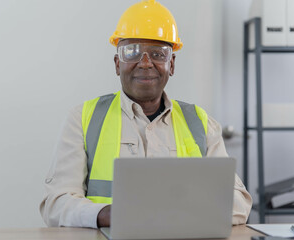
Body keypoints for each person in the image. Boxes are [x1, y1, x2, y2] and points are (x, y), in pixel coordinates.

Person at [40, 0, 252, 229]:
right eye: (132, 52)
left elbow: (238, 202)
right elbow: (56, 203)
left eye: (158, 54)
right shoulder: (83, 119)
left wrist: (172, 215)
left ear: (171, 64)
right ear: (116, 63)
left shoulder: (200, 123)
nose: (145, 63)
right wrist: (106, 214)